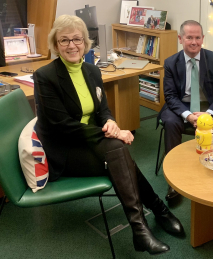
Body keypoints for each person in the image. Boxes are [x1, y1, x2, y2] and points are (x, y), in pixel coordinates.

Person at [33, 15, 184, 255]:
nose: (72, 45)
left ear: (85, 42)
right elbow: (61, 126)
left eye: (77, 39)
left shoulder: (92, 71)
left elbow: (102, 109)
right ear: (55, 44)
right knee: (119, 154)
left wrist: (111, 123)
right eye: (64, 40)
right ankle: (154, 214)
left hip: (91, 141)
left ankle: (143, 227)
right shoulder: (45, 76)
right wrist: (115, 134)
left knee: (118, 153)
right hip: (65, 150)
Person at [157, 20, 213, 201]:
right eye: (189, 37)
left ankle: (212, 172)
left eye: (198, 37)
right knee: (171, 122)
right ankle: (174, 179)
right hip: (182, 105)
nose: (194, 42)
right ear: (180, 38)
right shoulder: (171, 63)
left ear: (203, 38)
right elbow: (170, 96)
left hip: (209, 106)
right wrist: (188, 116)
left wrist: (208, 114)